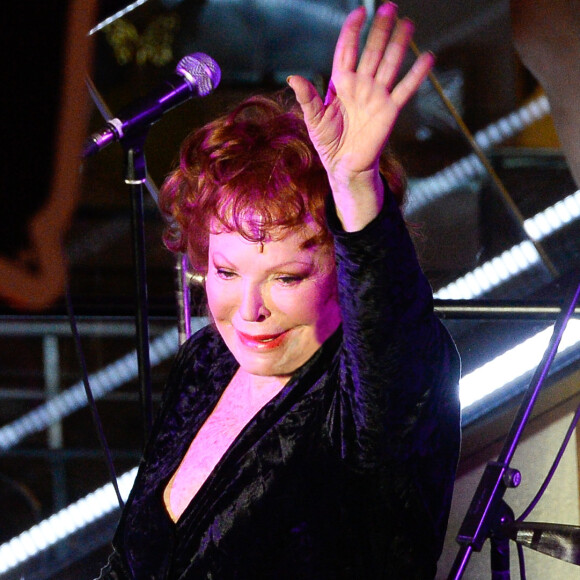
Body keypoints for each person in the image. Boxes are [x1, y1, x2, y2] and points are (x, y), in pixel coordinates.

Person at [96, 4, 461, 578]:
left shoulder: (373, 400)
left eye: (286, 277)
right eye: (226, 272)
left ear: (343, 270)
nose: (249, 311)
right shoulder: (208, 362)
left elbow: (390, 333)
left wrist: (356, 190)